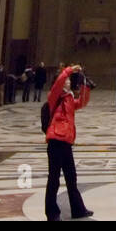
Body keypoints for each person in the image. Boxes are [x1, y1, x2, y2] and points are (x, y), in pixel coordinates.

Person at [44, 64, 93, 221]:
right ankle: (52, 213)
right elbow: (59, 82)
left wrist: (86, 87)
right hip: (56, 141)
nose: (68, 83)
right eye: (66, 82)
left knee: (71, 177)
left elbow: (82, 103)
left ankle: (78, 209)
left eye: (68, 81)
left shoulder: (69, 98)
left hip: (66, 142)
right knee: (54, 179)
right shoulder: (54, 97)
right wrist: (69, 70)